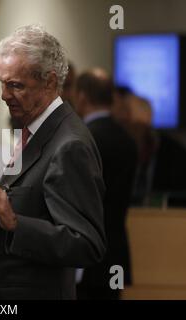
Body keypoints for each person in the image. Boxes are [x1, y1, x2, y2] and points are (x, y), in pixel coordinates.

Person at [0, 24, 106, 299]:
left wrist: (16, 223)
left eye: (15, 85)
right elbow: (15, 222)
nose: (3, 94)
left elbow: (86, 244)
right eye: (2, 82)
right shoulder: (34, 131)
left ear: (49, 82)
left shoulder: (69, 145)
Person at [74, 69, 137, 299]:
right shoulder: (128, 140)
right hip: (116, 253)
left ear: (82, 97)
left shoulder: (81, 140)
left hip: (85, 255)